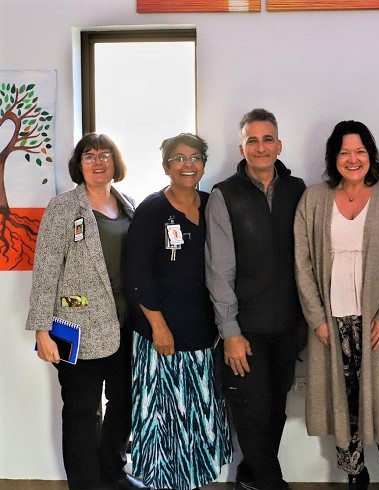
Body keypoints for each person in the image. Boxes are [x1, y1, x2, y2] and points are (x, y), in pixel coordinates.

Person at [294, 120, 379, 490]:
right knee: (343, 407)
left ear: (372, 154)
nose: (353, 159)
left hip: (378, 325)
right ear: (333, 157)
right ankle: (355, 476)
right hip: (330, 323)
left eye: (360, 151)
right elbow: (301, 262)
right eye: (344, 152)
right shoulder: (314, 199)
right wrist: (316, 316)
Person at [26, 133, 143, 490]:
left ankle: (113, 471)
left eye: (104, 155)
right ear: (79, 165)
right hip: (75, 329)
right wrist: (41, 330)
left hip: (126, 326)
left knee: (123, 403)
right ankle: (85, 483)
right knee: (81, 411)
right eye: (88, 155)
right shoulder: (63, 208)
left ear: (115, 163)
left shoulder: (130, 206)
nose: (97, 161)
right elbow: (45, 269)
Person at [123, 133, 232, 490]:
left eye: (195, 157)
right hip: (162, 337)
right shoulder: (153, 209)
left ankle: (193, 483)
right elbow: (137, 274)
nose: (188, 164)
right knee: (163, 420)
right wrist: (158, 326)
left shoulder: (212, 202)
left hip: (203, 335)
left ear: (204, 163)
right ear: (166, 166)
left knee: (196, 418)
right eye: (179, 159)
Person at [205, 108, 306, 490]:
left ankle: (250, 479)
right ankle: (271, 483)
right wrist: (230, 332)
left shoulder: (298, 191)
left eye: (267, 139)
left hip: (287, 328)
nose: (260, 147)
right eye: (252, 140)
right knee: (251, 411)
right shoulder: (224, 196)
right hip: (245, 331)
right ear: (241, 146)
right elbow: (219, 272)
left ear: (279, 145)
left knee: (276, 410)